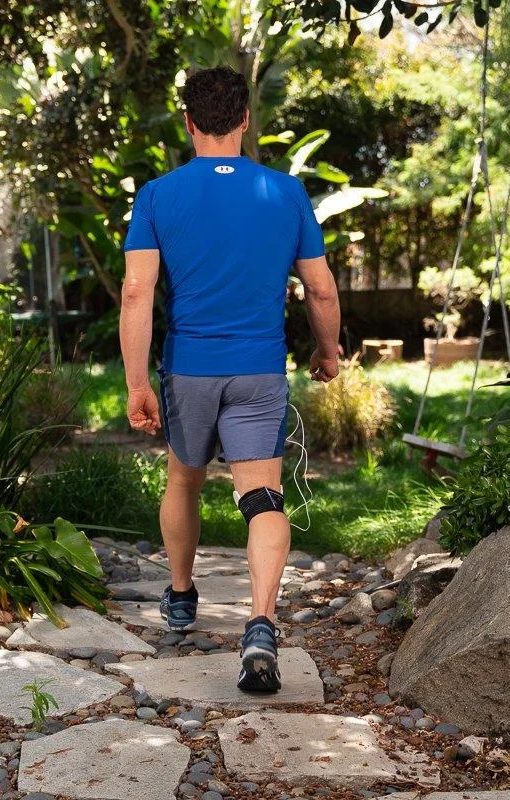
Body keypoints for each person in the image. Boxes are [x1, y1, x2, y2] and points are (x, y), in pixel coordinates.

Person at [118, 65, 341, 693]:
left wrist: (137, 382)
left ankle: (183, 597)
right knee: (261, 497)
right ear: (245, 119)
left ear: (189, 123)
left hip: (189, 369)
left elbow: (138, 291)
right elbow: (319, 289)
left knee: (183, 481)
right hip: (259, 368)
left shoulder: (160, 195)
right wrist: (329, 352)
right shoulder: (286, 192)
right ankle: (261, 626)